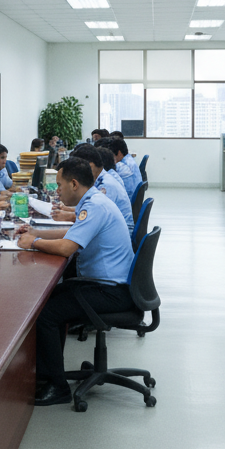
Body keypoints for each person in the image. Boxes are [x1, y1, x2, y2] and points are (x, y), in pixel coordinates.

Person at [15, 157, 135, 406]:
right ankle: (47, 373)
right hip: (107, 284)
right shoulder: (93, 201)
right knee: (50, 298)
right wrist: (36, 232)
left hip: (110, 291)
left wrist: (33, 243)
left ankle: (57, 387)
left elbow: (66, 247)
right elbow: (74, 233)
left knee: (46, 314)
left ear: (73, 184)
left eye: (59, 185)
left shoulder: (95, 206)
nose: (57, 191)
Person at [52, 145, 134, 234]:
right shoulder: (100, 179)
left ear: (90, 166)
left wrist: (68, 216)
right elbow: (89, 209)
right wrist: (66, 209)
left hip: (118, 233)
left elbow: (96, 215)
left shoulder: (106, 184)